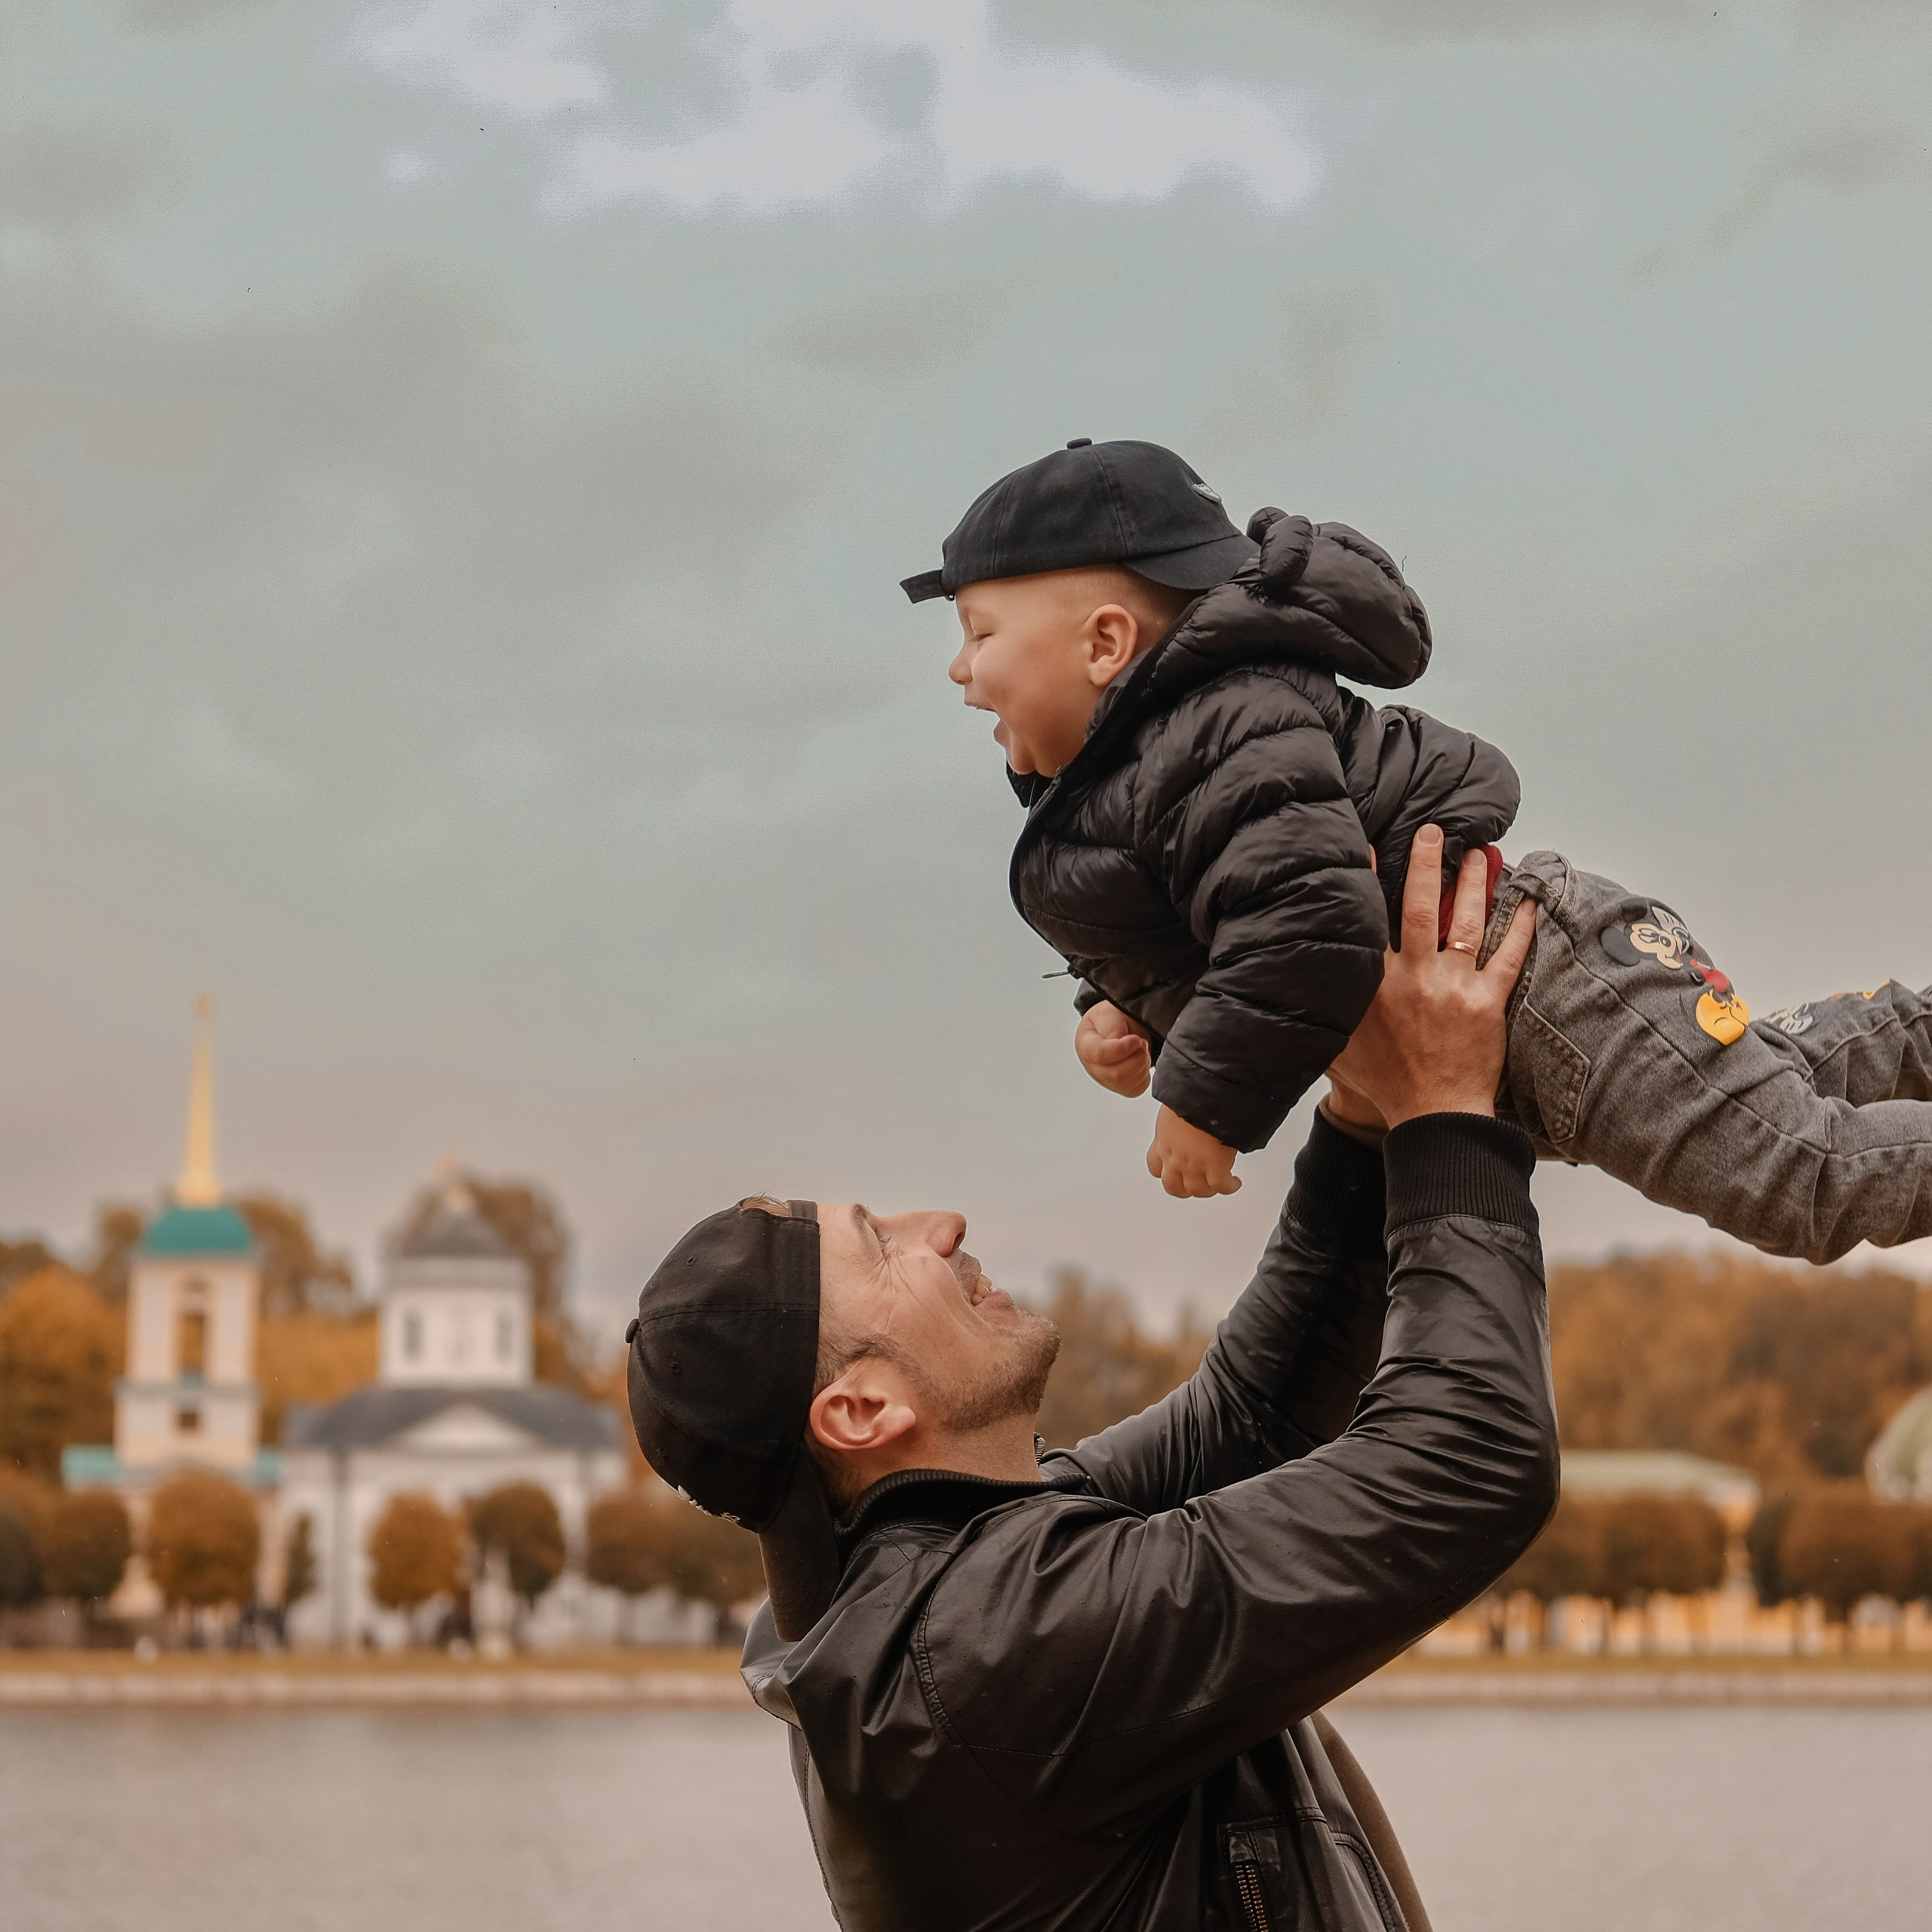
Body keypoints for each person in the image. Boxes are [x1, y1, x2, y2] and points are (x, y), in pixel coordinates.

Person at [624, 841, 1555, 1932]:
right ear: (860, 1410)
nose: (946, 1227)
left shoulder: (928, 1588)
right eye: (886, 1248)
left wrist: (1360, 1113)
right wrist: (1448, 1113)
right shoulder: (987, 1651)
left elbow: (1252, 1413)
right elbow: (1471, 1460)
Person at [903, 436, 1932, 1263]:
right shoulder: (1161, 761)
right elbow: (1223, 909)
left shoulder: (1225, 725)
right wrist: (1131, 1015)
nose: (958, 671)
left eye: (981, 634)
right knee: (1786, 1087)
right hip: (1528, 1002)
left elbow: (1305, 922)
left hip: (1540, 987)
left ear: (1105, 644)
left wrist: (1205, 1099)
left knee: (1803, 1179)